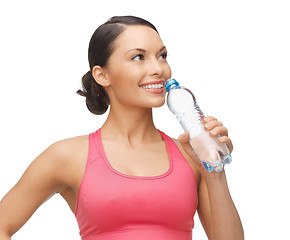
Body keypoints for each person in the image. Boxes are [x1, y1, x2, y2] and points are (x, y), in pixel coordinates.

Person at [0, 16, 243, 240]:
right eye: (138, 57)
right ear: (102, 75)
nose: (158, 68)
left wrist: (215, 172)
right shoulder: (67, 156)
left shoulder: (191, 155)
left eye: (162, 55)